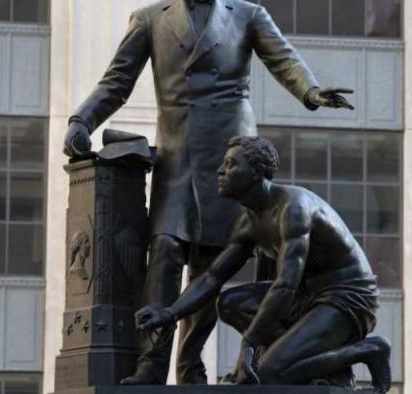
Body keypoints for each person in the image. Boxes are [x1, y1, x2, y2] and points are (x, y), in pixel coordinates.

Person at [63, 0, 354, 384]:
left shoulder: (248, 14)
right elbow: (117, 81)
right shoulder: (151, 18)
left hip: (232, 154)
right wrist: (82, 119)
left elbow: (284, 59)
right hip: (179, 157)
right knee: (164, 254)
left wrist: (310, 92)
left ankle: (190, 362)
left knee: (212, 263)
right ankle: (151, 364)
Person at [134, 136, 392, 392]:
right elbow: (213, 277)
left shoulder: (293, 208)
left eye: (230, 164)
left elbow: (285, 286)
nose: (220, 171)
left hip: (345, 297)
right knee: (230, 303)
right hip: (306, 296)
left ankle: (368, 350)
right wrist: (170, 313)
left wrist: (250, 341)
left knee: (269, 375)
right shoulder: (249, 221)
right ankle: (303, 362)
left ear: (256, 171)